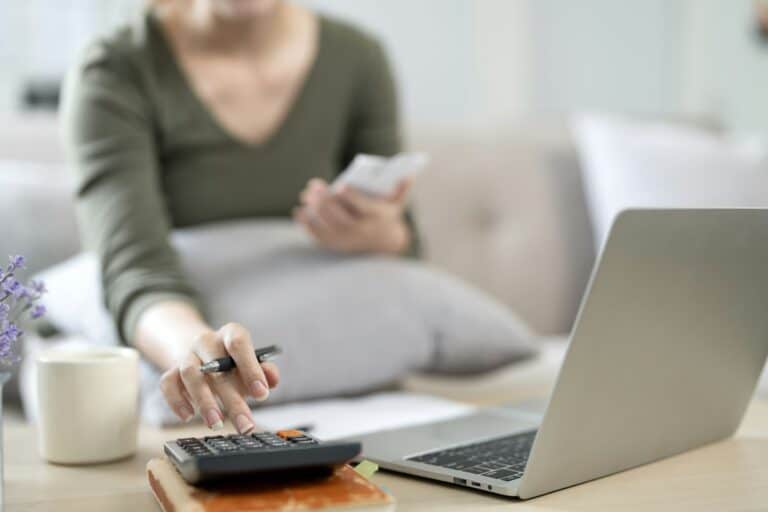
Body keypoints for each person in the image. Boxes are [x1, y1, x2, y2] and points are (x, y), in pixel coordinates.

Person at [62, 0, 418, 435]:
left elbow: (409, 244)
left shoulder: (357, 57)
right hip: (180, 325)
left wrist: (378, 233)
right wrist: (194, 351)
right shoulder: (117, 68)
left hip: (363, 390)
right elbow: (135, 269)